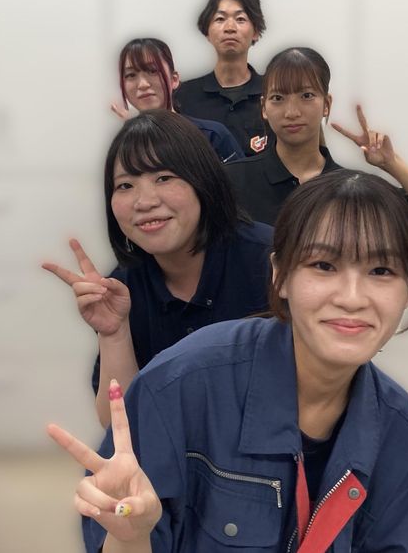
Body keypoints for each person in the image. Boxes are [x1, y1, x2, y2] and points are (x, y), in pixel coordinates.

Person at [48, 170, 408, 552]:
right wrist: (131, 537)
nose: (352, 297)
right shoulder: (181, 386)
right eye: (323, 266)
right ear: (280, 275)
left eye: (381, 270)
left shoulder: (405, 437)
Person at [42, 110, 271, 426]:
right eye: (125, 185)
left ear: (203, 181)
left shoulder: (272, 261)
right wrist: (114, 333)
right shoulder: (122, 288)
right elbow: (119, 425)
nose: (144, 201)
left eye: (163, 178)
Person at [225, 47, 408, 239]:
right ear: (264, 108)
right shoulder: (231, 180)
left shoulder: (354, 189)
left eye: (306, 96)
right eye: (278, 98)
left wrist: (391, 163)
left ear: (327, 104)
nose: (292, 112)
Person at [173, 0, 270, 156]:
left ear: (255, 32)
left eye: (240, 19)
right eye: (220, 19)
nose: (230, 27)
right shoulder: (183, 96)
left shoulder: (272, 93)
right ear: (207, 33)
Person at [111, 38, 243, 163]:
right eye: (131, 75)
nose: (143, 84)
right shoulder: (125, 145)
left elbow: (241, 178)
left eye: (152, 71)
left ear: (174, 80)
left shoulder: (212, 135)